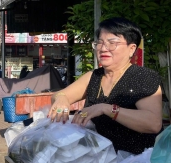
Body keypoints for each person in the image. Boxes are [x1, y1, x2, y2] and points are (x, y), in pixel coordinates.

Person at [49, 17, 163, 155]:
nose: (103, 48)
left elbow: (153, 124)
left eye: (112, 43)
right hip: (99, 161)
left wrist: (107, 109)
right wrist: (61, 99)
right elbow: (60, 95)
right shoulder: (94, 76)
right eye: (99, 43)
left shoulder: (143, 77)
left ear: (131, 49)